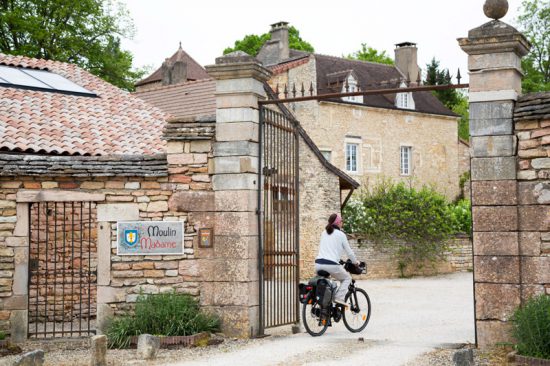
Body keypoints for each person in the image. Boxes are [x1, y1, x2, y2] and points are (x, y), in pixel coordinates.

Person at [315, 213, 360, 306]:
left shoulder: (324, 233)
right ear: (338, 223)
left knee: (327, 285)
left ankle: (325, 310)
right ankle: (339, 298)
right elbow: (349, 252)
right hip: (331, 265)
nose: (342, 223)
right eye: (342, 221)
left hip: (318, 264)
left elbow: (328, 249)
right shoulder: (341, 234)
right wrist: (355, 262)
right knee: (347, 278)